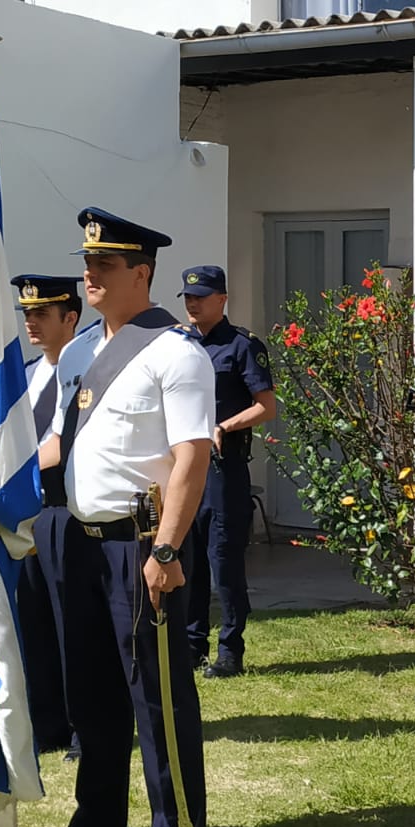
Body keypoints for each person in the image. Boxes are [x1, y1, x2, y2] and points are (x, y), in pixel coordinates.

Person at [26, 208, 214, 827]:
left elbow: (194, 456)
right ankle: (97, 818)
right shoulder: (77, 353)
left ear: (142, 272)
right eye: (88, 263)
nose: (89, 274)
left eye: (104, 266)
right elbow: (57, 446)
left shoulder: (177, 353)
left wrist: (167, 552)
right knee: (91, 692)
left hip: (140, 545)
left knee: (157, 697)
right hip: (78, 542)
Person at [178, 265, 278, 678]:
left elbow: (266, 406)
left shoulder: (241, 346)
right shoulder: (177, 346)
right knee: (190, 562)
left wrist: (224, 426)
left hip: (223, 467)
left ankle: (230, 649)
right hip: (184, 470)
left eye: (201, 296)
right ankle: (192, 645)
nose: (193, 303)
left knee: (223, 561)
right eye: (187, 296)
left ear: (222, 299)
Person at [13, 274, 86, 761]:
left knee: (74, 629)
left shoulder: (84, 372)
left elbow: (62, 442)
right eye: (27, 314)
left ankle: (86, 728)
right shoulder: (26, 372)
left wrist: (11, 473)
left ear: (70, 318)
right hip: (27, 517)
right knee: (35, 625)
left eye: (41, 313)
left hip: (68, 512)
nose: (31, 322)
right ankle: (49, 724)